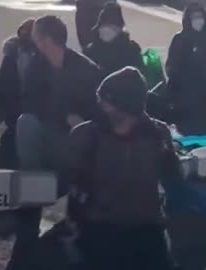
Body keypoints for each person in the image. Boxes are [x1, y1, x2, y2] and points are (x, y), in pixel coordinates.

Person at [62, 67, 182, 270]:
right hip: (99, 231)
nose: (101, 105)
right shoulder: (86, 136)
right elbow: (70, 188)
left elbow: (174, 179)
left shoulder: (157, 134)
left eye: (105, 100)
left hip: (147, 231)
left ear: (122, 105)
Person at [6, 15, 101, 270]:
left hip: (77, 143)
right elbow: (28, 103)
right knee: (25, 122)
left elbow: (97, 113)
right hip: (49, 136)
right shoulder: (36, 67)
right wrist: (63, 115)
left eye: (36, 35)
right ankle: (33, 186)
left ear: (46, 39)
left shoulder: (86, 69)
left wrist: (78, 121)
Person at [0, 18, 36, 169]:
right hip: (14, 116)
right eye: (25, 33)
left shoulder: (44, 59)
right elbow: (4, 84)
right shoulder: (11, 56)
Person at [166, 3, 206, 134]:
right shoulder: (179, 39)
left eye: (200, 16)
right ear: (188, 19)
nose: (198, 20)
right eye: (194, 17)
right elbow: (171, 67)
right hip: (185, 95)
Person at [84, 2, 144, 76]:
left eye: (112, 27)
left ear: (119, 29)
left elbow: (140, 76)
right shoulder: (90, 52)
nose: (107, 30)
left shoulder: (132, 50)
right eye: (104, 26)